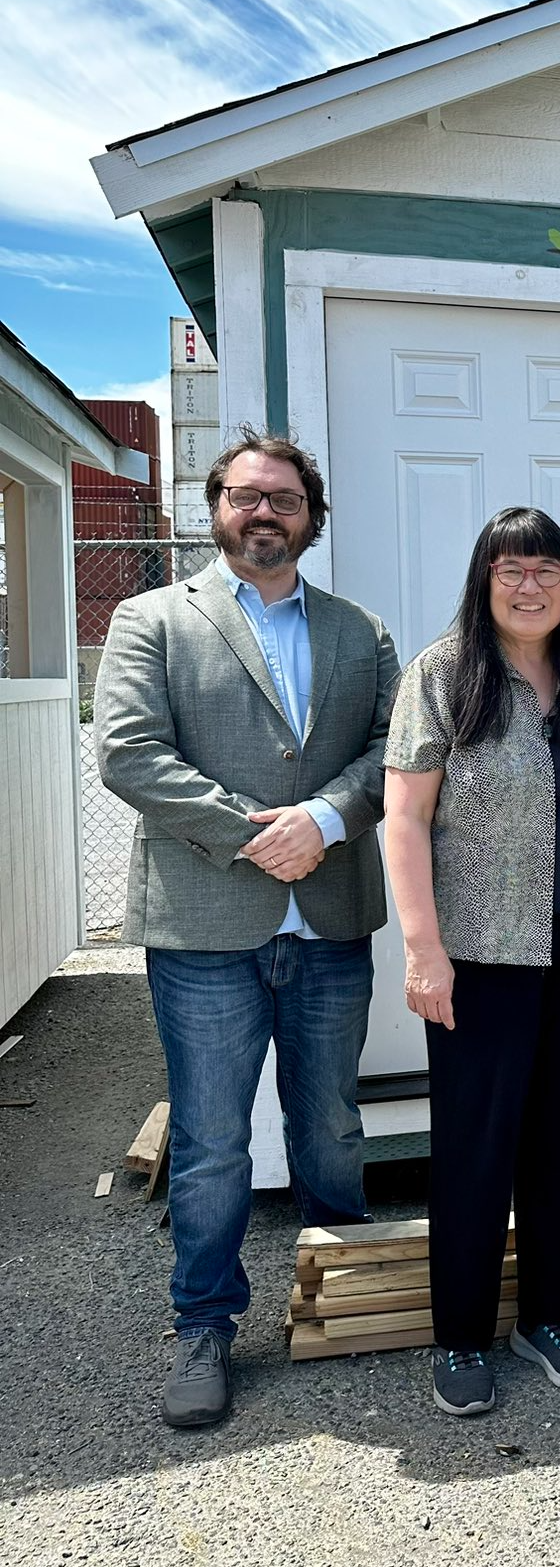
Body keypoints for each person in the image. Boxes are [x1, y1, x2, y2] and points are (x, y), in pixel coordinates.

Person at [95, 428, 399, 1429]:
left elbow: (386, 751)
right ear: (215, 506)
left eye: (283, 498)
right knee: (214, 1140)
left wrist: (322, 819)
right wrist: (252, 835)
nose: (262, 511)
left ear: (311, 515)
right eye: (244, 495)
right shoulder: (152, 620)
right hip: (206, 922)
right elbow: (130, 753)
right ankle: (207, 1324)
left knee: (331, 1124)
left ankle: (343, 1295)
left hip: (329, 919)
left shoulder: (364, 631)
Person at [384, 509, 560, 1416]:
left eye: (547, 570)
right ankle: (458, 1336)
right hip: (481, 956)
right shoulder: (446, 674)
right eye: (510, 570)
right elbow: (405, 819)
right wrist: (423, 951)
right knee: (474, 1147)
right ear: (484, 580)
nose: (529, 586)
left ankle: (548, 1319)